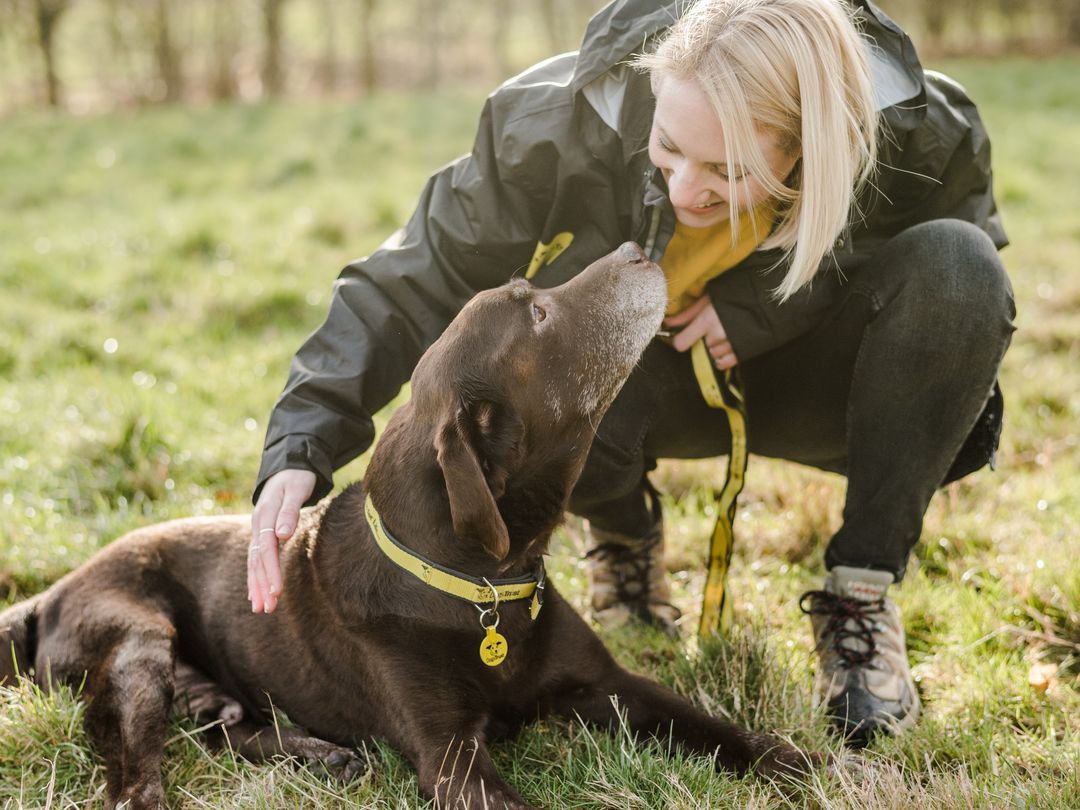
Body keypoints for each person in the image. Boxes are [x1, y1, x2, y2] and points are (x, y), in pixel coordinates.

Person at [246, 0, 1014, 742]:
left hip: (816, 381)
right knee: (558, 383)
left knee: (959, 266)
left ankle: (861, 597)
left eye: (728, 168)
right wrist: (300, 446)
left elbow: (953, 315)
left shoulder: (922, 130)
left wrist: (757, 310)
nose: (684, 190)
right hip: (636, 388)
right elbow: (405, 282)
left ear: (815, 141)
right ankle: (624, 545)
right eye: (669, 146)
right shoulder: (553, 125)